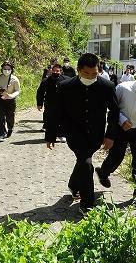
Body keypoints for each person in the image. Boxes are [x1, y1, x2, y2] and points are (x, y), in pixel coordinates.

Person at [45, 53, 119, 213]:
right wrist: (50, 135)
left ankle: (73, 184)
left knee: (83, 161)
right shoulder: (65, 86)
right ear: (78, 70)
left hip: (96, 134)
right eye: (86, 73)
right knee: (86, 163)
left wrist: (110, 135)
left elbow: (114, 112)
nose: (90, 77)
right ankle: (87, 203)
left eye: (94, 74)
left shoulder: (106, 86)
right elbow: (56, 112)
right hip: (74, 133)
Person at [96, 63, 136, 204]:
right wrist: (122, 120)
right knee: (116, 157)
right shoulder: (122, 88)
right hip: (120, 129)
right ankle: (103, 172)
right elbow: (111, 109)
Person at [36, 63, 69, 139]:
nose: (55, 72)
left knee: (62, 120)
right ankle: (51, 136)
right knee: (50, 120)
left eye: (57, 71)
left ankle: (61, 135)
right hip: (50, 104)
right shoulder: (46, 81)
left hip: (62, 104)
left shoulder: (66, 80)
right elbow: (40, 92)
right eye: (54, 70)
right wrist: (39, 103)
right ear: (51, 71)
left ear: (61, 71)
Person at [0, 61, 21, 142]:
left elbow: (17, 90)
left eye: (8, 69)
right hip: (1, 99)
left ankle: (10, 128)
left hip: (10, 100)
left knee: (10, 116)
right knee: (0, 116)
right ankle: (1, 134)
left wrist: (11, 96)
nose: (6, 70)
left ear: (11, 70)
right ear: (2, 69)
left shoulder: (15, 79)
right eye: (5, 69)